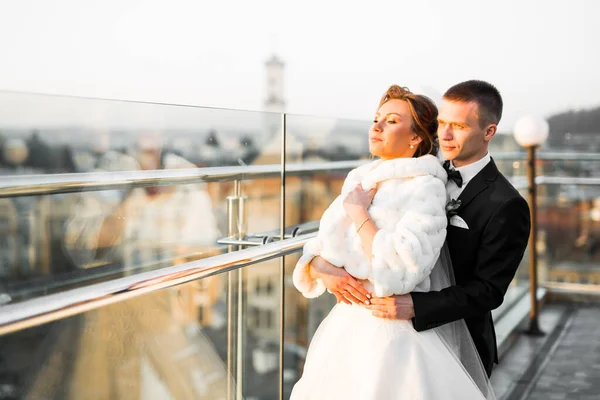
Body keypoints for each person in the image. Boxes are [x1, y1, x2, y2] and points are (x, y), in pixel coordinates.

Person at [309, 80, 531, 380]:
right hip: (372, 323)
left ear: (488, 132)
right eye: (441, 124)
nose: (446, 135)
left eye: (459, 127)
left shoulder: (505, 203)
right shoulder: (407, 168)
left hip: (452, 337)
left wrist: (417, 306)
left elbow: (488, 291)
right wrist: (320, 266)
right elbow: (340, 234)